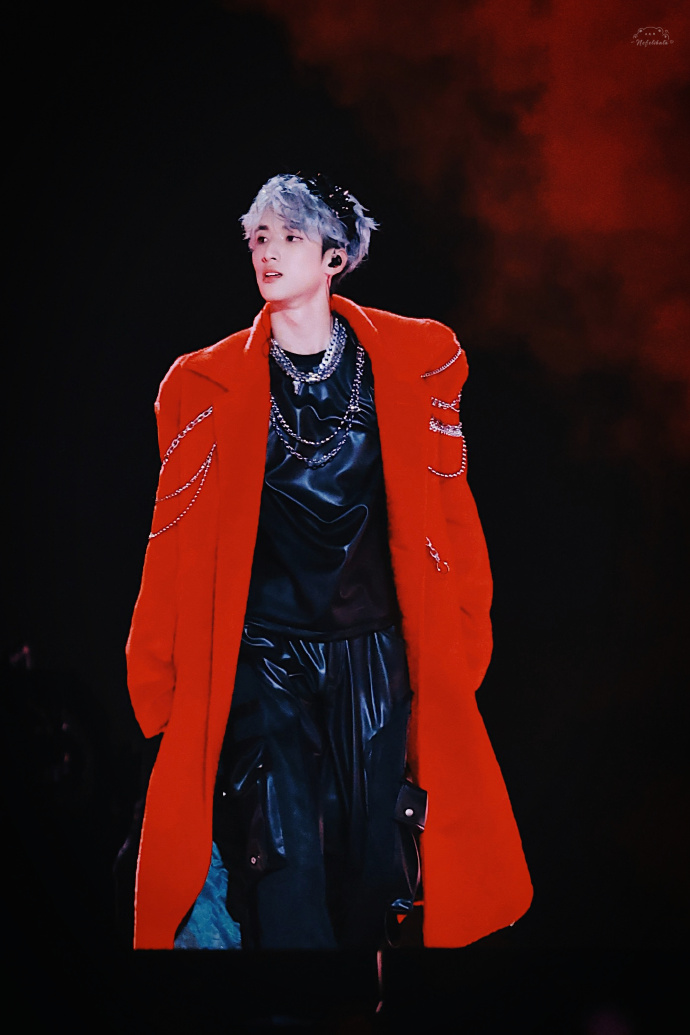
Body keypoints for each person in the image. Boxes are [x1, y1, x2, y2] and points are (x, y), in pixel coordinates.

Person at [125, 172, 532, 951]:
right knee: (282, 863)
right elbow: (171, 542)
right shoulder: (202, 385)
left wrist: (465, 631)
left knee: (372, 868)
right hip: (264, 654)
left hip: (370, 650)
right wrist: (157, 674)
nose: (269, 252)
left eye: (290, 236)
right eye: (259, 237)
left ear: (334, 256)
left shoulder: (413, 363)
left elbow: (451, 510)